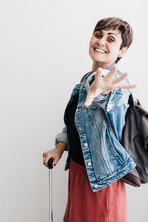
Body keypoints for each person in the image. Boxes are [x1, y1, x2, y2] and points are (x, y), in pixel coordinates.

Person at [42, 17, 137, 222]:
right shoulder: (86, 79)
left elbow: (113, 109)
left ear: (122, 51)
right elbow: (76, 123)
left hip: (102, 182)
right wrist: (59, 147)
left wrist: (99, 95)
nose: (101, 41)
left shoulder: (117, 85)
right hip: (79, 174)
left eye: (110, 38)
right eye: (98, 34)